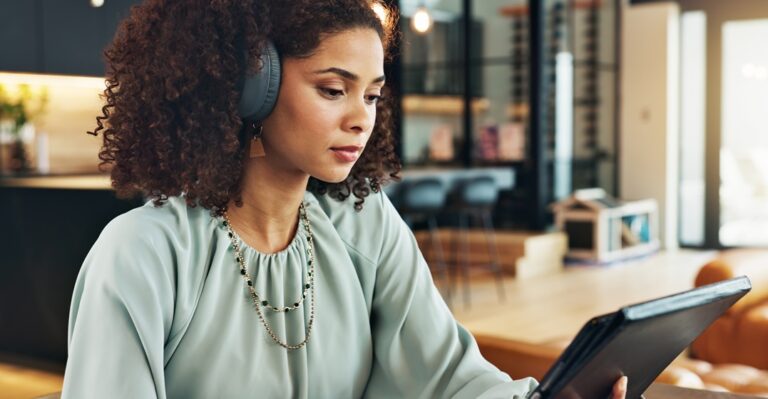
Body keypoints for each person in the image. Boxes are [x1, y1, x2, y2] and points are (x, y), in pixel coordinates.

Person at [62, 1, 628, 398]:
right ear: (249, 87)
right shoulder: (143, 254)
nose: (362, 119)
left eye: (373, 95)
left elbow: (449, 375)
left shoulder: (363, 222)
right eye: (333, 90)